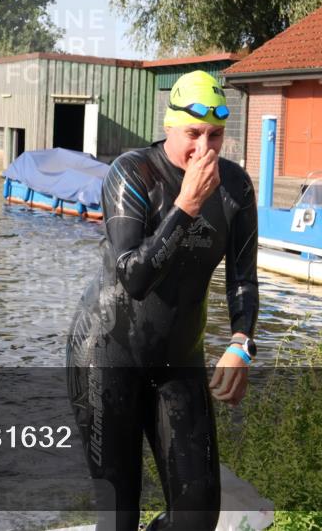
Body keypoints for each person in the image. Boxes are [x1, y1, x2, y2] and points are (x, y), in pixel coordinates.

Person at [66, 70, 259, 531]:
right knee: (119, 516)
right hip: (107, 354)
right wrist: (186, 205)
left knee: (197, 517)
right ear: (169, 126)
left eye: (215, 135)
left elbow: (243, 280)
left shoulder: (236, 187)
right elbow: (134, 276)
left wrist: (240, 343)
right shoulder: (132, 173)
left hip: (179, 358)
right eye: (193, 134)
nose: (204, 149)